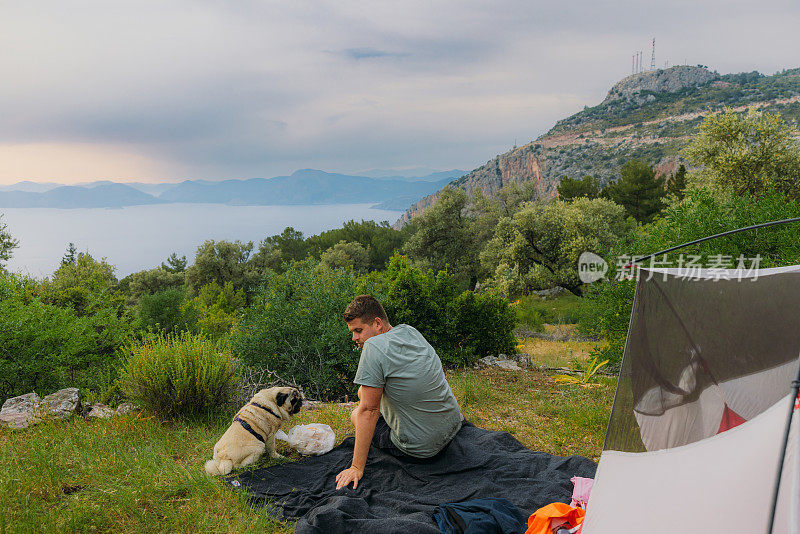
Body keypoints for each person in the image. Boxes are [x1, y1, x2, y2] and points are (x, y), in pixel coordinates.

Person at [335, 295, 463, 490]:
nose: (354, 338)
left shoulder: (373, 347)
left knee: (357, 414)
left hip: (422, 448)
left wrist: (356, 467)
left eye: (358, 331)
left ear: (377, 323)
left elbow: (369, 411)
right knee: (366, 395)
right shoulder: (409, 331)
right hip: (453, 426)